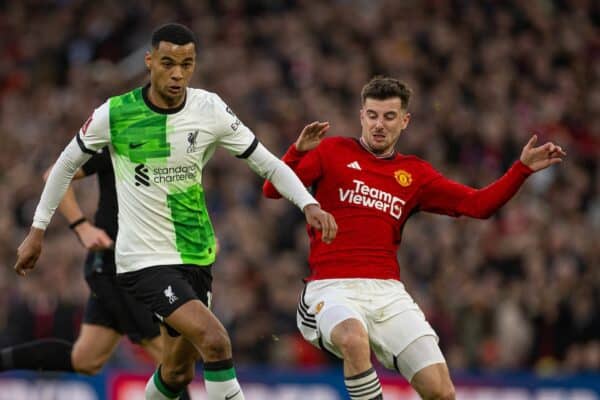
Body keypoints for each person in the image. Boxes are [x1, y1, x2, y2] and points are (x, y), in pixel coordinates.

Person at [14, 23, 337, 400]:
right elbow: (64, 165)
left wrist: (309, 203)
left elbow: (267, 163)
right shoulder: (115, 114)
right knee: (215, 341)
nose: (177, 73)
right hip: (143, 260)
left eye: (186, 64)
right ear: (149, 62)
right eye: (168, 63)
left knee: (177, 370)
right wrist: (37, 231)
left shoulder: (209, 109)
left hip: (197, 255)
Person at [263, 76, 566, 400]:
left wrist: (521, 169)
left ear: (404, 121)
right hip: (332, 287)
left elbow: (478, 205)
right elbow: (271, 190)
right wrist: (296, 152)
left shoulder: (415, 174)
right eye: (373, 115)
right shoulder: (331, 151)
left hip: (388, 293)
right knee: (353, 339)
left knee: (441, 391)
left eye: (389, 116)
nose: (380, 124)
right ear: (362, 116)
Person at [2, 148, 192, 399]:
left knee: (86, 359)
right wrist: (81, 226)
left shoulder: (170, 144)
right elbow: (55, 176)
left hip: (142, 266)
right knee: (171, 362)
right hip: (115, 268)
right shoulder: (119, 139)